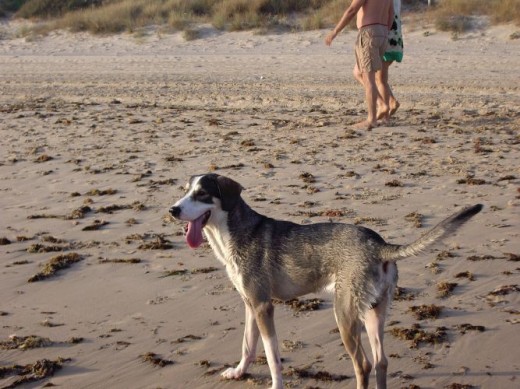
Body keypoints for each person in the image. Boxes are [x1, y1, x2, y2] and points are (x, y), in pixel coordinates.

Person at [325, 0, 394, 130]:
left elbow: (352, 10)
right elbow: (391, 14)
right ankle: (381, 104)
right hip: (383, 32)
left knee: (369, 79)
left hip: (369, 32)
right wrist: (384, 31)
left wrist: (335, 31)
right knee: (358, 71)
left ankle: (372, 119)